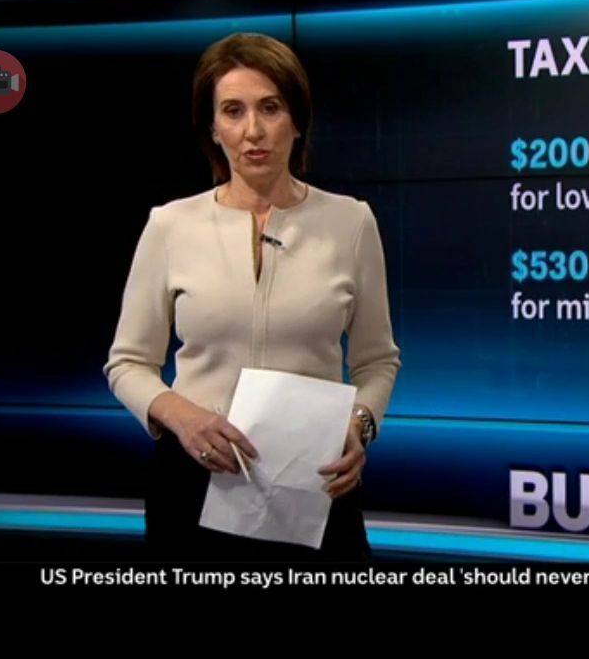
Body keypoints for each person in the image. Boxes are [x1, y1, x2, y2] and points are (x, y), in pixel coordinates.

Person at [103, 32, 401, 562]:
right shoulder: (170, 226)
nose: (253, 131)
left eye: (270, 107)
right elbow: (128, 363)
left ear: (298, 120)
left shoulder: (351, 222)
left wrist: (358, 424)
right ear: (212, 128)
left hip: (314, 482)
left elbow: (378, 361)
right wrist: (182, 416)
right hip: (194, 480)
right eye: (233, 111)